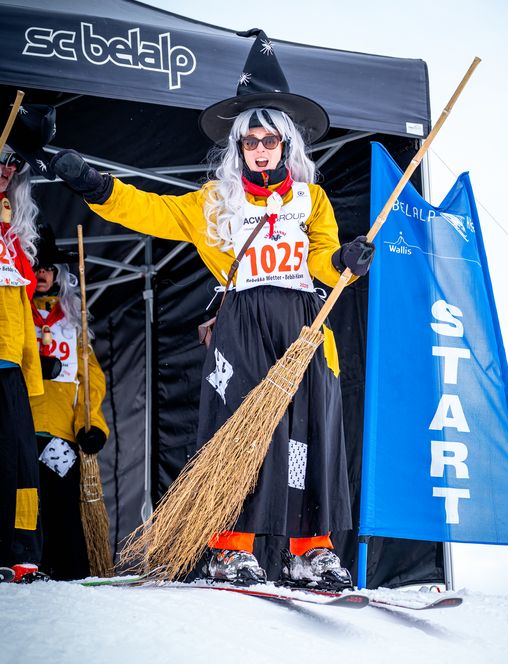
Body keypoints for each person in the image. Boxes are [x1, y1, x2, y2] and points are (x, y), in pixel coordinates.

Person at [51, 29, 374, 589]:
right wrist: (97, 186)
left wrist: (346, 259)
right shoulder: (215, 203)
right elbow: (151, 210)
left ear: (287, 145)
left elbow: (322, 263)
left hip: (303, 324)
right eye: (250, 141)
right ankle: (230, 547)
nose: (260, 149)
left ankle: (309, 548)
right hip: (243, 324)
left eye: (270, 140)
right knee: (238, 432)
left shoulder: (310, 199)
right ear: (238, 147)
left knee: (308, 431)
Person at [28, 224, 109, 580]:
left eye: (48, 267)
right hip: (22, 429)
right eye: (35, 266)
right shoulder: (15, 317)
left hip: (61, 434)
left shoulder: (73, 323)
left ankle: (69, 575)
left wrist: (91, 426)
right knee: (23, 506)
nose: (42, 273)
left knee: (62, 506)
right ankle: (25, 567)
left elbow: (90, 382)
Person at [0, 103, 56, 583]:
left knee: (20, 462)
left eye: (14, 163)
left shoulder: (13, 234)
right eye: (2, 158)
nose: (8, 169)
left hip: (11, 366)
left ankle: (21, 553)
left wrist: (31, 365)